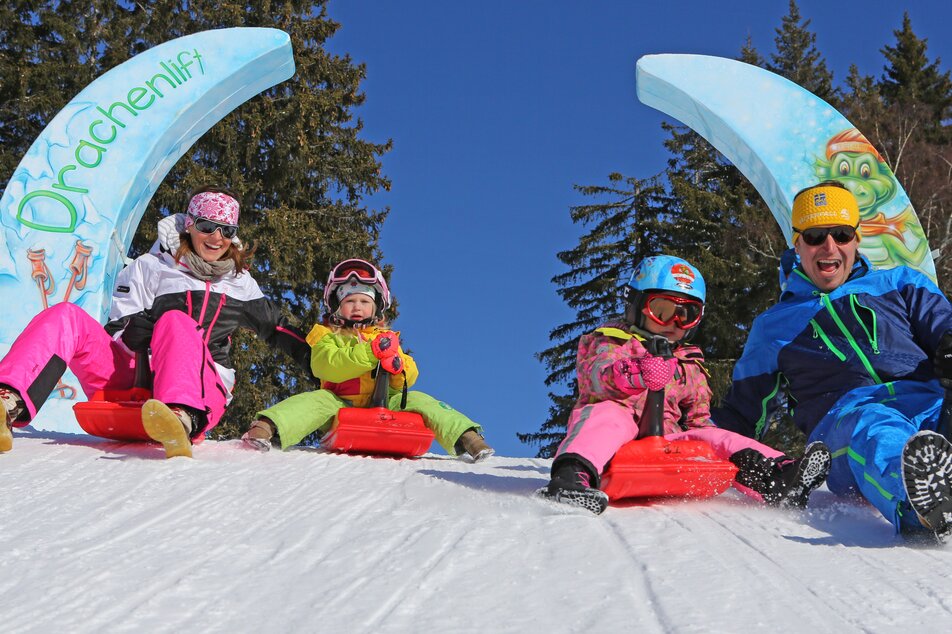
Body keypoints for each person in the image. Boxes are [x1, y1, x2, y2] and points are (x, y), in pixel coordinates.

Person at [712, 181, 952, 542]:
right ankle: (920, 508)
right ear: (797, 243)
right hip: (845, 427)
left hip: (930, 404)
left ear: (856, 239)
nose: (829, 247)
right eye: (814, 236)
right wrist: (691, 436)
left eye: (841, 235)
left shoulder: (900, 283)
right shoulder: (774, 327)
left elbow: (942, 324)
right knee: (874, 426)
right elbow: (742, 414)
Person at [0, 186, 310, 458]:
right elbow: (117, 326)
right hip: (133, 379)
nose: (217, 238)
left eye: (226, 231)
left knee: (177, 321)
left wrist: (323, 363)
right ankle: (8, 400)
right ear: (190, 226)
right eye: (207, 226)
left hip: (202, 391)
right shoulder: (151, 267)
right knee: (65, 315)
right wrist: (134, 331)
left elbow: (278, 328)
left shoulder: (239, 283)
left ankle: (180, 415)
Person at [539, 255, 832, 515]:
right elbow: (596, 379)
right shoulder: (612, 340)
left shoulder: (688, 361)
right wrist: (637, 372)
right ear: (637, 304)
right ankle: (572, 477)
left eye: (687, 314)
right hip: (619, 444)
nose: (675, 322)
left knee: (716, 438)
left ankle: (779, 478)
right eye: (663, 310)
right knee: (605, 417)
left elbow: (697, 418)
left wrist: (705, 437)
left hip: (665, 442)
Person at [240, 258, 494, 462]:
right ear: (337, 306)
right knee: (314, 402)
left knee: (422, 400)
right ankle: (267, 427)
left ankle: (467, 437)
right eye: (350, 301)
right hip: (341, 403)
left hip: (383, 404)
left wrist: (398, 367)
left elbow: (409, 377)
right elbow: (327, 366)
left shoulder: (386, 337)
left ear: (376, 307)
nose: (357, 307)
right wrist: (370, 353)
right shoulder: (327, 336)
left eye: (364, 301)